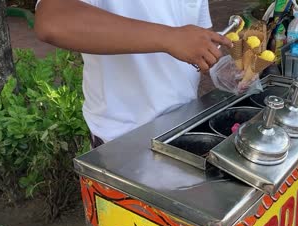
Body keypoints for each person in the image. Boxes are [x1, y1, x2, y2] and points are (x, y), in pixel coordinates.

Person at [34, 0, 232, 147]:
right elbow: (53, 21)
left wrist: (224, 70)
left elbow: (200, 44)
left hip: (183, 126)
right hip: (122, 140)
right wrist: (169, 37)